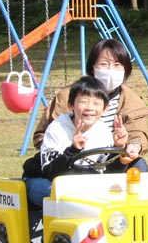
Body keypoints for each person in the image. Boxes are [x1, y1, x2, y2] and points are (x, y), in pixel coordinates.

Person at [33, 38, 148, 172]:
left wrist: (132, 146)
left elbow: (137, 132)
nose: (110, 71)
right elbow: (43, 136)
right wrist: (72, 147)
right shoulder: (67, 96)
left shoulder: (132, 101)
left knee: (139, 166)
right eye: (104, 64)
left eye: (117, 65)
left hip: (110, 157)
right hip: (67, 160)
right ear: (93, 67)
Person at [23, 76, 130, 208]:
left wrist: (118, 148)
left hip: (80, 186)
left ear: (105, 108)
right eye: (83, 102)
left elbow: (106, 173)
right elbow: (50, 172)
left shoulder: (103, 131)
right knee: (66, 199)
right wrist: (73, 149)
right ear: (71, 105)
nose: (89, 108)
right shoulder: (57, 128)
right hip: (44, 180)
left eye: (96, 103)